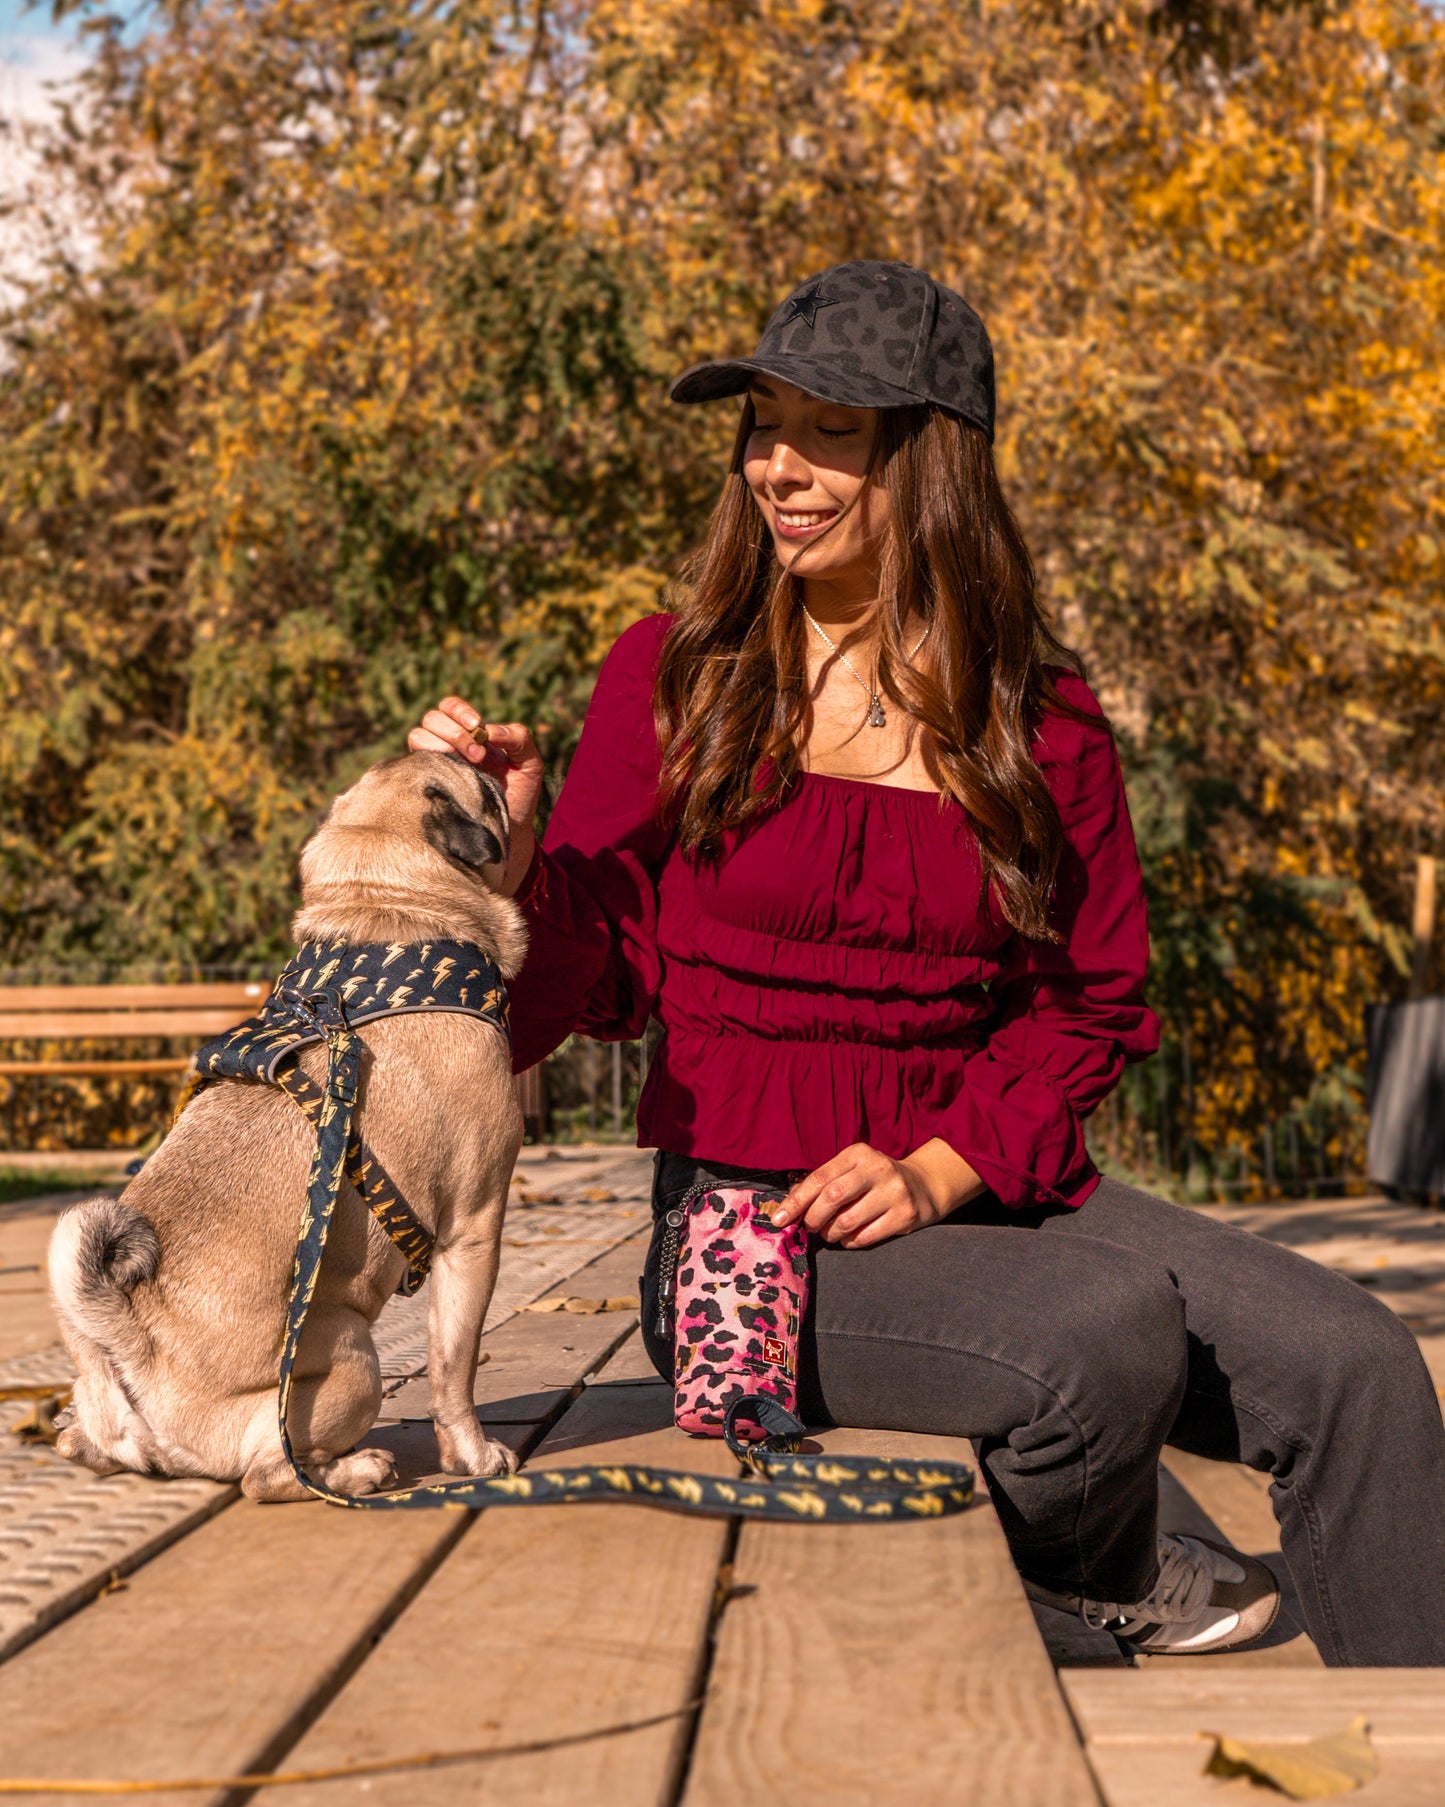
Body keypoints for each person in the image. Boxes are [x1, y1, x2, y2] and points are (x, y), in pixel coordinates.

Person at [409, 260, 1445, 1663]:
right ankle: (1102, 1570)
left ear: (930, 457)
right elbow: (584, 994)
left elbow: (1095, 1002)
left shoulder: (1041, 715)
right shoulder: (673, 675)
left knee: (1357, 1360)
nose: (777, 464)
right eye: (761, 424)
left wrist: (938, 1169)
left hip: (978, 1186)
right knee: (1098, 1335)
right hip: (749, 1238)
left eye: (828, 430)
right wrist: (521, 865)